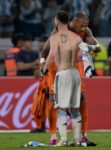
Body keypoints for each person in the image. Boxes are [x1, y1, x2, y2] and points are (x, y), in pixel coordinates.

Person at [40, 11, 100, 146]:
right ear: (75, 21)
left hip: (72, 69)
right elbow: (45, 51)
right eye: (83, 26)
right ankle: (54, 136)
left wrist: (88, 47)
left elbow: (97, 48)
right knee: (53, 101)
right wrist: (42, 66)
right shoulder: (58, 31)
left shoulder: (84, 32)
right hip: (55, 69)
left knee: (81, 100)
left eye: (86, 26)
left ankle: (81, 137)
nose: (84, 29)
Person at [31, 34, 58, 145]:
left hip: (50, 81)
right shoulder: (41, 54)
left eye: (42, 41)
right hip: (44, 81)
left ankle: (53, 130)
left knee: (50, 105)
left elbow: (48, 69)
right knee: (41, 104)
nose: (40, 44)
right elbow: (37, 73)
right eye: (40, 42)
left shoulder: (50, 52)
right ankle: (41, 127)